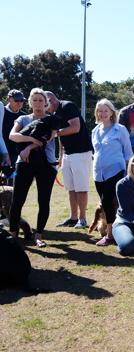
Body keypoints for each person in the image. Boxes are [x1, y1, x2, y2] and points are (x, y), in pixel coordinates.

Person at [8, 88, 58, 247]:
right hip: (24, 163)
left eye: (41, 100)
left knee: (43, 201)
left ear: (46, 103)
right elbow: (12, 136)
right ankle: (13, 234)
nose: (38, 103)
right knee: (17, 200)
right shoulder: (23, 119)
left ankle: (38, 235)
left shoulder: (51, 120)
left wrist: (27, 148)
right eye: (34, 100)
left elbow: (46, 140)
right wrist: (31, 140)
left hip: (46, 164)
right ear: (30, 102)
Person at [46, 91, 93, 229]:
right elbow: (61, 137)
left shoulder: (67, 106)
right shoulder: (54, 114)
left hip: (81, 152)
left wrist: (54, 133)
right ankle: (73, 218)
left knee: (81, 187)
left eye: (45, 104)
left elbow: (75, 127)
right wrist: (60, 156)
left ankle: (83, 219)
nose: (44, 108)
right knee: (71, 188)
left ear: (52, 100)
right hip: (67, 154)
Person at [91, 99, 132, 246]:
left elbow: (128, 152)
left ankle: (110, 235)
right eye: (100, 111)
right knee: (104, 202)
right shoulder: (95, 131)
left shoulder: (120, 129)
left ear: (111, 112)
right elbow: (95, 152)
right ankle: (111, 231)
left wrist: (128, 173)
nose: (102, 114)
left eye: (105, 111)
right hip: (98, 173)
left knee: (108, 200)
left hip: (116, 171)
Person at [2, 89, 26, 175]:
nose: (19, 102)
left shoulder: (24, 116)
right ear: (9, 99)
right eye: (16, 100)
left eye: (22, 100)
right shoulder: (1, 111)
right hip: (1, 150)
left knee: (12, 182)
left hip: (14, 153)